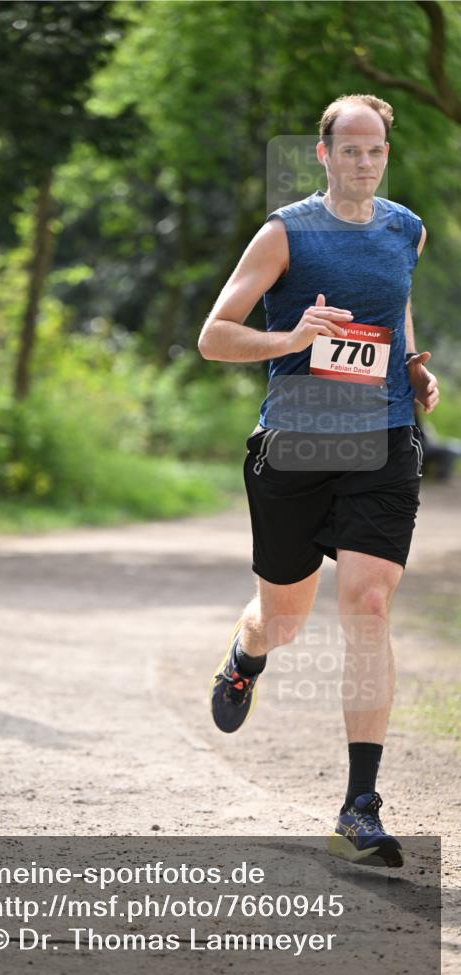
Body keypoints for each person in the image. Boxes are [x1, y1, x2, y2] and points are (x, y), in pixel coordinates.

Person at [198, 94, 439, 867]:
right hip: (296, 444)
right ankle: (247, 651)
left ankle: (358, 805)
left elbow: (393, 309)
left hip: (384, 440)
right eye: (350, 151)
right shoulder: (284, 233)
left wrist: (407, 363)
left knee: (367, 602)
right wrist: (292, 336)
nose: (363, 164)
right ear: (323, 153)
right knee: (286, 617)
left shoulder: (406, 229)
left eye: (375, 152)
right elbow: (213, 337)